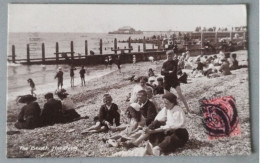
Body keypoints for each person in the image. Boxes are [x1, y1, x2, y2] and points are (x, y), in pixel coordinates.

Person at [123, 93, 189, 156]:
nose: (165, 105)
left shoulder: (177, 111)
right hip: (169, 131)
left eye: (166, 103)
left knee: (170, 139)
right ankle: (137, 142)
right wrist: (148, 128)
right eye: (164, 103)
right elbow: (158, 119)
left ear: (173, 103)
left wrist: (153, 131)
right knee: (156, 123)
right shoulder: (167, 108)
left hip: (180, 134)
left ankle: (156, 149)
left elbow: (170, 127)